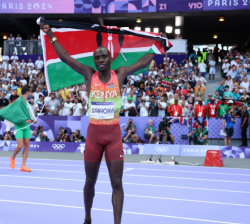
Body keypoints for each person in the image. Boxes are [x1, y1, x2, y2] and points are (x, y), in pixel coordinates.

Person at [41, 22, 167, 224]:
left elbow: (143, 62)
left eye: (103, 57)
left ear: (110, 59)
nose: (100, 60)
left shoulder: (121, 74)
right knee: (90, 181)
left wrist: (158, 44)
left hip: (113, 135)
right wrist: (50, 34)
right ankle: (88, 218)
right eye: (97, 57)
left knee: (117, 182)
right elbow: (65, 57)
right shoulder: (88, 74)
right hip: (94, 135)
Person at [0, 87, 38, 172]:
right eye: (30, 93)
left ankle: (23, 166)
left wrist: (33, 120)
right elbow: (15, 115)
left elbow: (31, 116)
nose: (30, 94)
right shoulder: (17, 102)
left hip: (26, 127)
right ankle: (12, 157)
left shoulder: (27, 104)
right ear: (27, 93)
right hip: (19, 126)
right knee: (20, 146)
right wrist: (24, 120)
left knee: (26, 146)